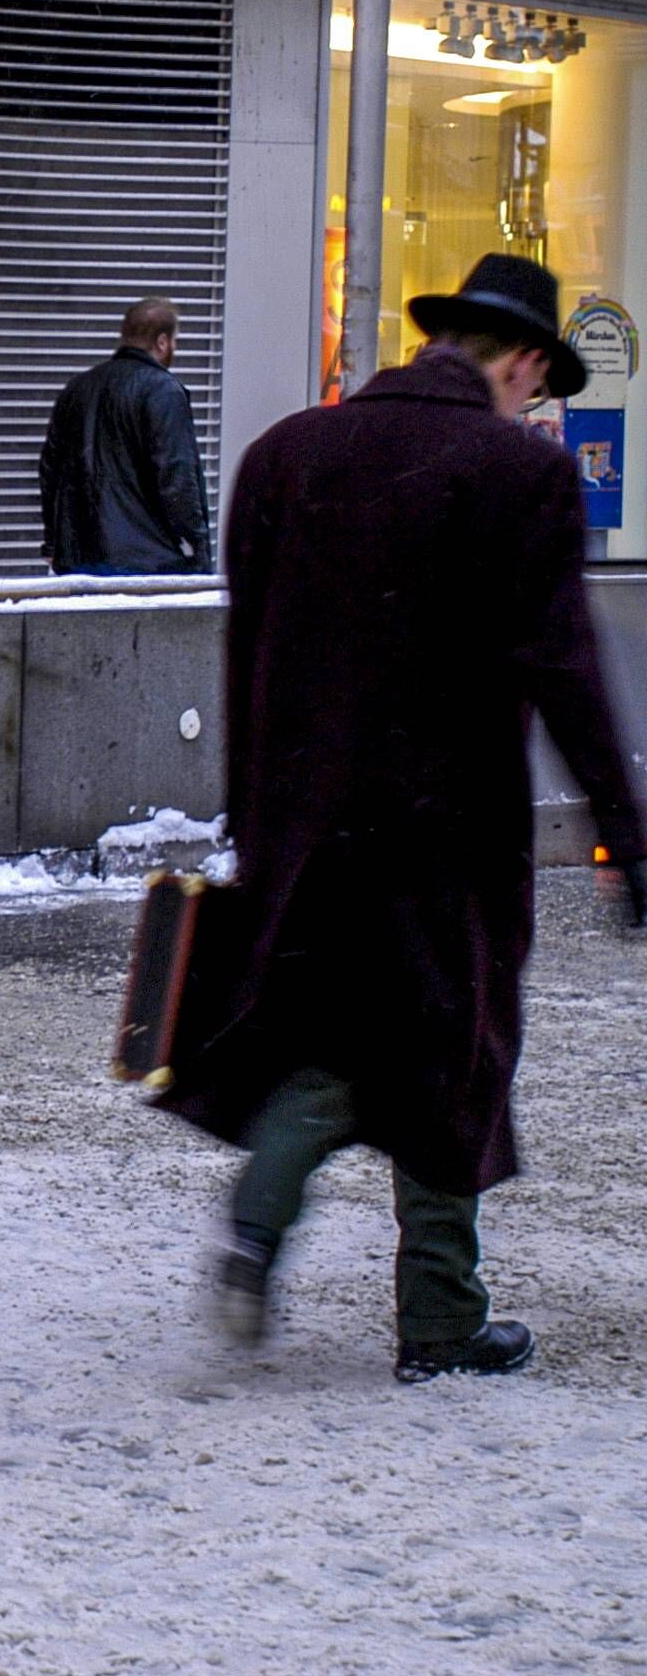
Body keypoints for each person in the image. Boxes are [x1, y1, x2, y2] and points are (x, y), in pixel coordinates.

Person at [158, 253, 645, 1383]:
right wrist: (626, 836)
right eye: (538, 382)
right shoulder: (516, 475)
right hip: (447, 832)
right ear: (520, 362)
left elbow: (248, 652)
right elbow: (565, 674)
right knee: (449, 1060)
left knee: (330, 1041)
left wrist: (254, 817)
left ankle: (258, 1227)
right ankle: (439, 1317)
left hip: (305, 822)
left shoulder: (284, 453)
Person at [37, 296, 213, 575]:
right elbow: (176, 477)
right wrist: (199, 549)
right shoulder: (163, 390)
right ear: (163, 342)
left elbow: (50, 472)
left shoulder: (77, 389)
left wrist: (53, 542)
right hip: (146, 559)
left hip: (78, 557)